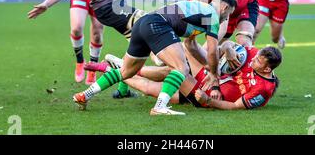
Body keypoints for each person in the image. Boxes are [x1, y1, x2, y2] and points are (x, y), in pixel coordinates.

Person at [73, 0, 237, 115]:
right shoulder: (213, 16)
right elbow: (213, 49)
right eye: (229, 14)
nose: (226, 19)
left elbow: (191, 45)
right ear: (224, 8)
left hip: (143, 23)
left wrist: (208, 67)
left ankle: (85, 95)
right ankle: (160, 107)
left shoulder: (201, 11)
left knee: (126, 72)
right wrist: (215, 75)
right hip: (158, 25)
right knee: (181, 68)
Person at [88, 40, 281, 110]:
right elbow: (231, 44)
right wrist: (229, 47)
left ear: (267, 69)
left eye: (258, 62)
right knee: (183, 52)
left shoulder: (262, 89)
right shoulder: (256, 54)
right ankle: (123, 68)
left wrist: (209, 101)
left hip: (202, 95)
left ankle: (115, 69)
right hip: (209, 79)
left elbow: (235, 106)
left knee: (152, 86)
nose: (254, 59)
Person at [188, 0, 258, 46]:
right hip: (224, 13)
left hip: (244, 6)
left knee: (244, 41)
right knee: (217, 49)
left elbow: (222, 29)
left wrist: (204, 50)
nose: (200, 2)